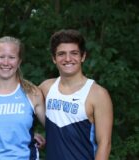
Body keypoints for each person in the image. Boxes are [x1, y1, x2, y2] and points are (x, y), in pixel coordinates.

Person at [39, 29, 113, 160]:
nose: (68, 59)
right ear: (54, 58)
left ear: (83, 56)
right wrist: (29, 135)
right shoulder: (46, 88)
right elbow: (21, 114)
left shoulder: (98, 94)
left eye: (74, 53)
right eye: (61, 54)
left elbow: (105, 144)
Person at [0, 36, 45, 160]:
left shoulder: (32, 93)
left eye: (11, 57)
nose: (6, 62)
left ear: (19, 61)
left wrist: (33, 136)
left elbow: (56, 130)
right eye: (1, 57)